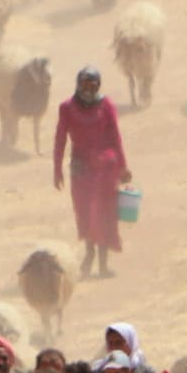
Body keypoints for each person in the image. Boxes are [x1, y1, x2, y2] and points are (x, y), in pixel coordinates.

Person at [52, 66, 131, 278]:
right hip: (81, 170)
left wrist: (123, 167)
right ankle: (89, 254)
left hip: (105, 169)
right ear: (78, 84)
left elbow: (115, 137)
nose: (88, 89)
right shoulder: (67, 108)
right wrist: (56, 168)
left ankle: (103, 263)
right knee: (85, 213)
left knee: (105, 214)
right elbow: (60, 139)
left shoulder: (106, 106)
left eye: (93, 85)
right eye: (85, 85)